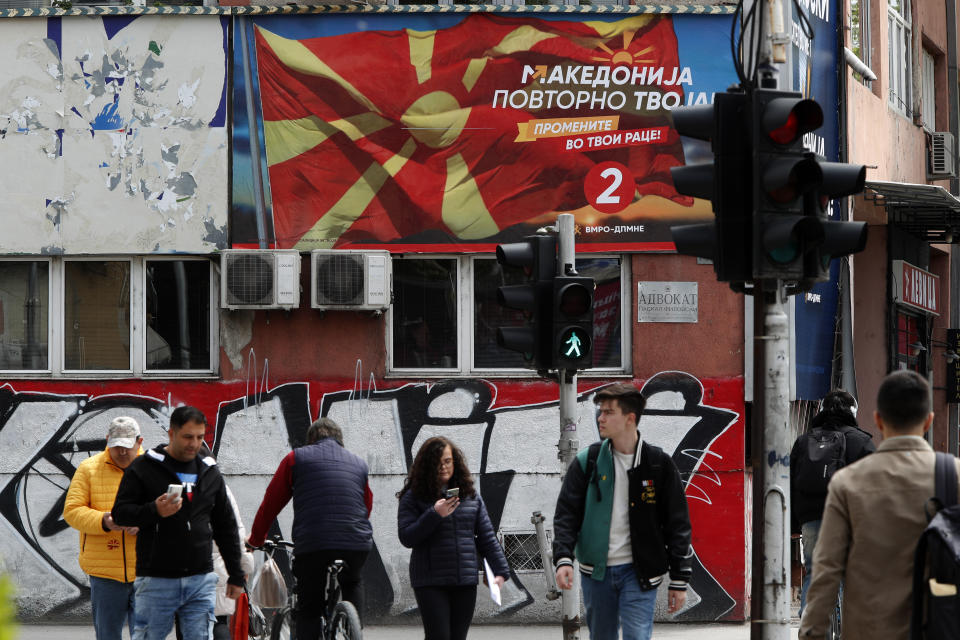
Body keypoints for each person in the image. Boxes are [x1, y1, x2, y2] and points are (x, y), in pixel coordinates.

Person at [799, 370, 960, 639]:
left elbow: (826, 574)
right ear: (929, 421)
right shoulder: (953, 477)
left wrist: (812, 633)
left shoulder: (848, 483)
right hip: (940, 626)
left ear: (878, 420)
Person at [552, 382, 693, 640]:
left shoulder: (658, 465)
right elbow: (566, 514)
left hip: (639, 574)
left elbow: (678, 524)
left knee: (637, 637)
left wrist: (679, 579)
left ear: (630, 419)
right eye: (600, 411)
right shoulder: (588, 461)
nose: (600, 418)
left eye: (608, 412)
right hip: (597, 573)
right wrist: (563, 558)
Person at [112, 406, 245, 640]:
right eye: (187, 437)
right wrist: (154, 510)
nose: (194, 443)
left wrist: (236, 574)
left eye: (200, 437)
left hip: (200, 578)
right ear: (171, 433)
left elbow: (226, 526)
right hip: (156, 578)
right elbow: (121, 513)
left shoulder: (209, 470)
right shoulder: (144, 467)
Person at [247, 417, 373, 640]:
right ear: (340, 441)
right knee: (352, 581)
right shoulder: (359, 463)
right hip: (356, 541)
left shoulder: (296, 458)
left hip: (314, 543)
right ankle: (354, 629)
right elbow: (366, 504)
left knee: (310, 607)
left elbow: (270, 504)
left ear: (311, 440)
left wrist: (256, 539)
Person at [397, 436, 510, 640]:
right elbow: (406, 537)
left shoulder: (469, 495)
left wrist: (499, 571)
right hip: (430, 581)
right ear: (427, 465)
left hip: (463, 579)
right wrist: (434, 514)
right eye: (437, 463)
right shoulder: (414, 496)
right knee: (439, 636)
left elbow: (487, 537)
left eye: (448, 461)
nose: (443, 467)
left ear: (455, 462)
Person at [789, 389, 875, 613]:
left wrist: (792, 525)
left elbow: (790, 485)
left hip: (812, 519)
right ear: (853, 412)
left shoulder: (804, 441)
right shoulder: (862, 441)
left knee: (816, 571)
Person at [63, 416, 143, 640]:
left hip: (147, 569)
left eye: (127, 447)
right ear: (107, 440)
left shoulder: (155, 469)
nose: (122, 452)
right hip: (104, 571)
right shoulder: (89, 469)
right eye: (116, 446)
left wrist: (144, 522)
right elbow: (72, 511)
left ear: (140, 441)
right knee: (107, 635)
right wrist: (104, 521)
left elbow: (169, 513)